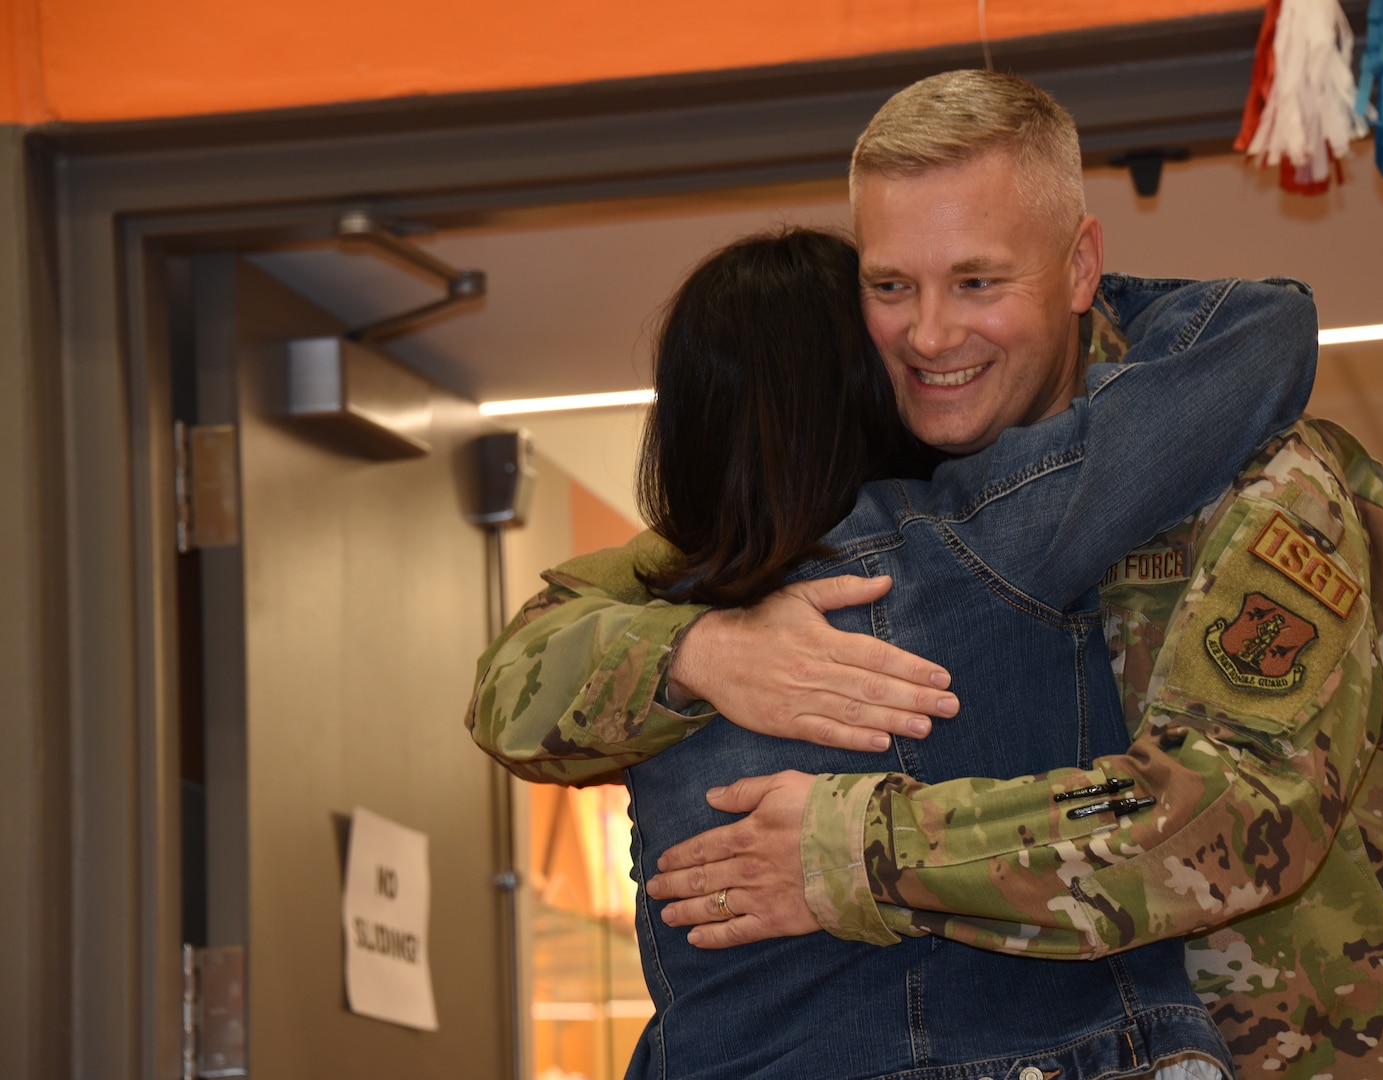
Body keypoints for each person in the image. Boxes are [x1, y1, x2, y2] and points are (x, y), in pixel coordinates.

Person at [469, 72, 1383, 1079]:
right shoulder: (884, 505)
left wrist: (858, 852)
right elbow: (522, 668)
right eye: (891, 287)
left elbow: (1239, 813)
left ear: (1075, 267)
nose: (929, 335)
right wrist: (697, 651)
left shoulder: (1257, 479)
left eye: (977, 281)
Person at [475, 228, 1318, 1078]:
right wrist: (1057, 291)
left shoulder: (632, 630)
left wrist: (692, 650)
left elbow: (501, 689)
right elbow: (1263, 333)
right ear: (877, 385)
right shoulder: (1000, 534)